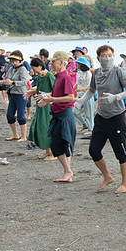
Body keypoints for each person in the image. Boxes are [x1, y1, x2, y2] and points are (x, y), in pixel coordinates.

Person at [74, 44, 126, 194]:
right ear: (98, 58)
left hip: (116, 116)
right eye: (104, 56)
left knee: (120, 152)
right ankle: (107, 177)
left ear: (113, 56)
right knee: (94, 150)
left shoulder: (119, 71)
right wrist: (80, 101)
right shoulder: (96, 73)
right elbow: (92, 90)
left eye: (109, 55)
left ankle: (125, 183)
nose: (107, 58)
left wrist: (115, 97)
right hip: (101, 116)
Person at [36, 51, 76, 183]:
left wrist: (52, 99)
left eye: (54, 61)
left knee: (59, 144)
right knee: (61, 143)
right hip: (59, 113)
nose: (51, 64)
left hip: (64, 114)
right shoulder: (58, 77)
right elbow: (57, 95)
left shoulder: (65, 77)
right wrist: (47, 99)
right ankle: (67, 172)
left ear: (61, 62)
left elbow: (71, 97)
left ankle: (68, 171)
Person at [27, 57, 55, 158]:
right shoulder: (39, 76)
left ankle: (53, 152)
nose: (34, 71)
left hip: (48, 105)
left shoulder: (49, 75)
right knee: (38, 126)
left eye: (34, 69)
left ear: (40, 66)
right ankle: (47, 150)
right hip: (40, 105)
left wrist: (45, 95)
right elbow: (39, 89)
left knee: (46, 126)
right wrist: (30, 92)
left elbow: (56, 91)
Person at [1, 51, 30, 142]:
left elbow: (24, 82)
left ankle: (24, 136)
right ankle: (15, 134)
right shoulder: (11, 68)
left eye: (15, 59)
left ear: (20, 59)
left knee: (21, 116)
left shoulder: (23, 69)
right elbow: (7, 79)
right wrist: (0, 83)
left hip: (21, 94)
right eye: (12, 59)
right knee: (9, 115)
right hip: (12, 94)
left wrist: (13, 82)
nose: (13, 61)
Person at [74, 56, 95, 133]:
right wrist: (72, 88)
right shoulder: (79, 73)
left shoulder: (88, 74)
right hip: (79, 95)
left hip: (87, 96)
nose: (77, 64)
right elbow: (77, 83)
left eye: (78, 63)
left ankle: (91, 129)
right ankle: (84, 125)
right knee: (75, 112)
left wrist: (82, 89)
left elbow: (90, 86)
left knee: (89, 113)